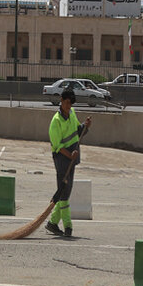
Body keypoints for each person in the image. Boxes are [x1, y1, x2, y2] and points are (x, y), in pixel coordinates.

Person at [46, 87, 91, 237]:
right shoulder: (56, 121)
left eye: (70, 103)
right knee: (64, 192)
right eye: (66, 103)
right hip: (62, 158)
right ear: (61, 101)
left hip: (72, 156)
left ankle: (53, 223)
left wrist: (85, 126)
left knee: (66, 190)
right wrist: (70, 155)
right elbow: (57, 146)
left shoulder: (72, 114)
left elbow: (78, 130)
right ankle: (68, 226)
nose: (68, 106)